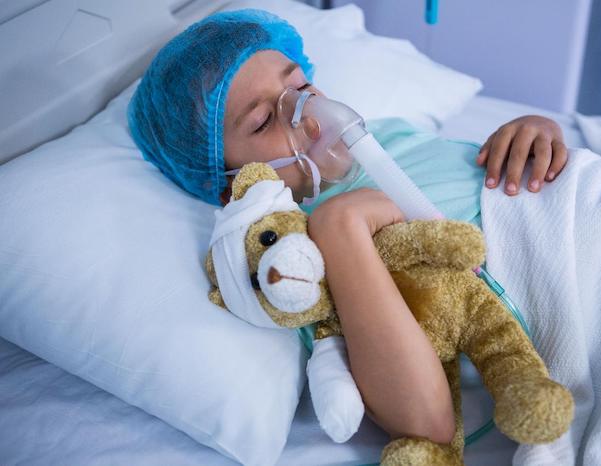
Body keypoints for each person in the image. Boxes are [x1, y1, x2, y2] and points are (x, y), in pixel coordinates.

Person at [128, 9, 568, 445]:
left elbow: (502, 172)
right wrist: (341, 226)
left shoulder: (391, 136)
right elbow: (426, 424)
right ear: (227, 186)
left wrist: (534, 130)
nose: (309, 114)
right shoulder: (298, 255)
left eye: (300, 87)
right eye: (263, 121)